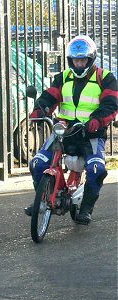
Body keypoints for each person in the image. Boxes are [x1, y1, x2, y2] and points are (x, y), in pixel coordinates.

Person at [25, 35, 118, 225]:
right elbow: (50, 96)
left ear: (91, 59)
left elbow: (111, 103)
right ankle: (43, 200)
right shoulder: (63, 77)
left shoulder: (105, 78)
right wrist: (39, 110)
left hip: (91, 133)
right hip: (64, 131)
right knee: (37, 163)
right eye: (75, 60)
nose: (79, 64)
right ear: (70, 60)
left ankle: (86, 209)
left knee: (96, 169)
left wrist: (97, 121)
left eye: (83, 60)